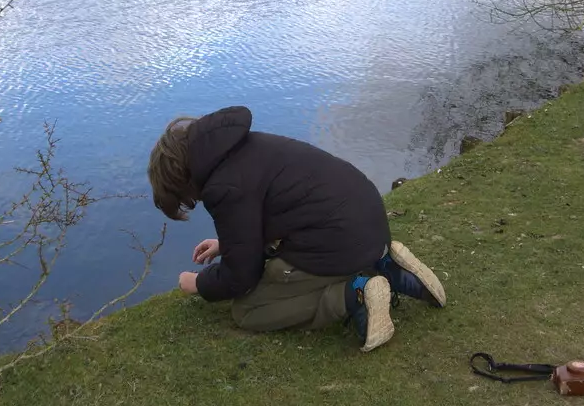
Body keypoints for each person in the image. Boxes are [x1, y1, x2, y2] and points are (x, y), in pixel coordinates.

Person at [146, 106, 445, 352]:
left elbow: (241, 277)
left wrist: (198, 284)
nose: (195, 199)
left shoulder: (222, 186)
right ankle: (385, 265)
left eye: (187, 198)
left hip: (342, 239)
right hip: (368, 222)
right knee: (275, 259)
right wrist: (228, 243)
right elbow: (279, 208)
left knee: (248, 309)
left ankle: (353, 294)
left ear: (182, 180)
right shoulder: (243, 148)